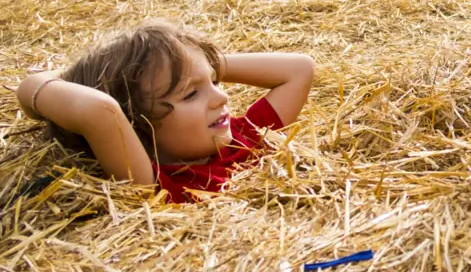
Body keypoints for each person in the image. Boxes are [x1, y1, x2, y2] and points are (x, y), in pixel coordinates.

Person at [17, 21, 316, 202]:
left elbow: (299, 69)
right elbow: (98, 110)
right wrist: (62, 78)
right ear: (135, 123)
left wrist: (198, 63)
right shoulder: (154, 183)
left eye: (213, 81)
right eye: (190, 94)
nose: (221, 96)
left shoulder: (245, 137)